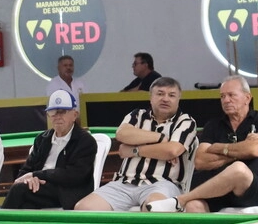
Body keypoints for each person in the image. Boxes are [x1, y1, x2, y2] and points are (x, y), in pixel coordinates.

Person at [75, 76, 197, 212]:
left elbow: (172, 151)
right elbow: (122, 134)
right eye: (160, 94)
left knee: (156, 207)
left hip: (162, 183)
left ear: (178, 99)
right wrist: (161, 138)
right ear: (151, 98)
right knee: (83, 208)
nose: (165, 99)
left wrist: (134, 150)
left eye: (172, 95)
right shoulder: (138, 115)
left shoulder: (185, 121)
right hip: (124, 183)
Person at [175, 76, 258, 212]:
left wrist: (218, 148)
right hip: (219, 192)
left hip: (254, 190)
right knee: (193, 206)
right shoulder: (213, 125)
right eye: (222, 96)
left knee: (238, 169)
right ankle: (190, 206)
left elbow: (254, 150)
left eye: (231, 95)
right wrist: (240, 152)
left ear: (247, 98)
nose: (226, 100)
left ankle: (181, 199)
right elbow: (200, 161)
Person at [3, 89, 98, 210]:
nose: (57, 116)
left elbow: (74, 175)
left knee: (19, 190)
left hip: (67, 192)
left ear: (74, 115)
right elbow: (25, 172)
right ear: (48, 115)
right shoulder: (42, 139)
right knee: (26, 202)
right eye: (53, 112)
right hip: (41, 189)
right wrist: (31, 179)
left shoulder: (85, 141)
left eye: (62, 111)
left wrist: (37, 175)